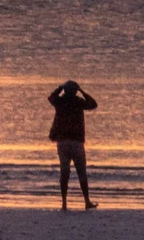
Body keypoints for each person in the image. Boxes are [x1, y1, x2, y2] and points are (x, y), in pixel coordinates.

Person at [48, 80, 98, 210]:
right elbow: (93, 104)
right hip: (76, 142)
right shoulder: (78, 102)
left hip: (63, 142)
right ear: (75, 91)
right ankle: (87, 201)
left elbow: (51, 97)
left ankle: (64, 203)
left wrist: (60, 88)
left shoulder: (60, 102)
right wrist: (83, 91)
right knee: (81, 172)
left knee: (64, 173)